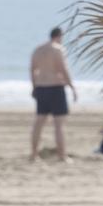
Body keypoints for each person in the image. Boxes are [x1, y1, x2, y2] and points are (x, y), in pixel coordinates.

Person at [29, 27, 77, 163]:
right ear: (59, 36)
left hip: (41, 87)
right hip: (55, 87)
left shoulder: (38, 50)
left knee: (39, 122)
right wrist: (72, 86)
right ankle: (62, 156)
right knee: (59, 124)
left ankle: (34, 154)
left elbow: (32, 70)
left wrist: (34, 86)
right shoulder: (58, 49)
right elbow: (62, 69)